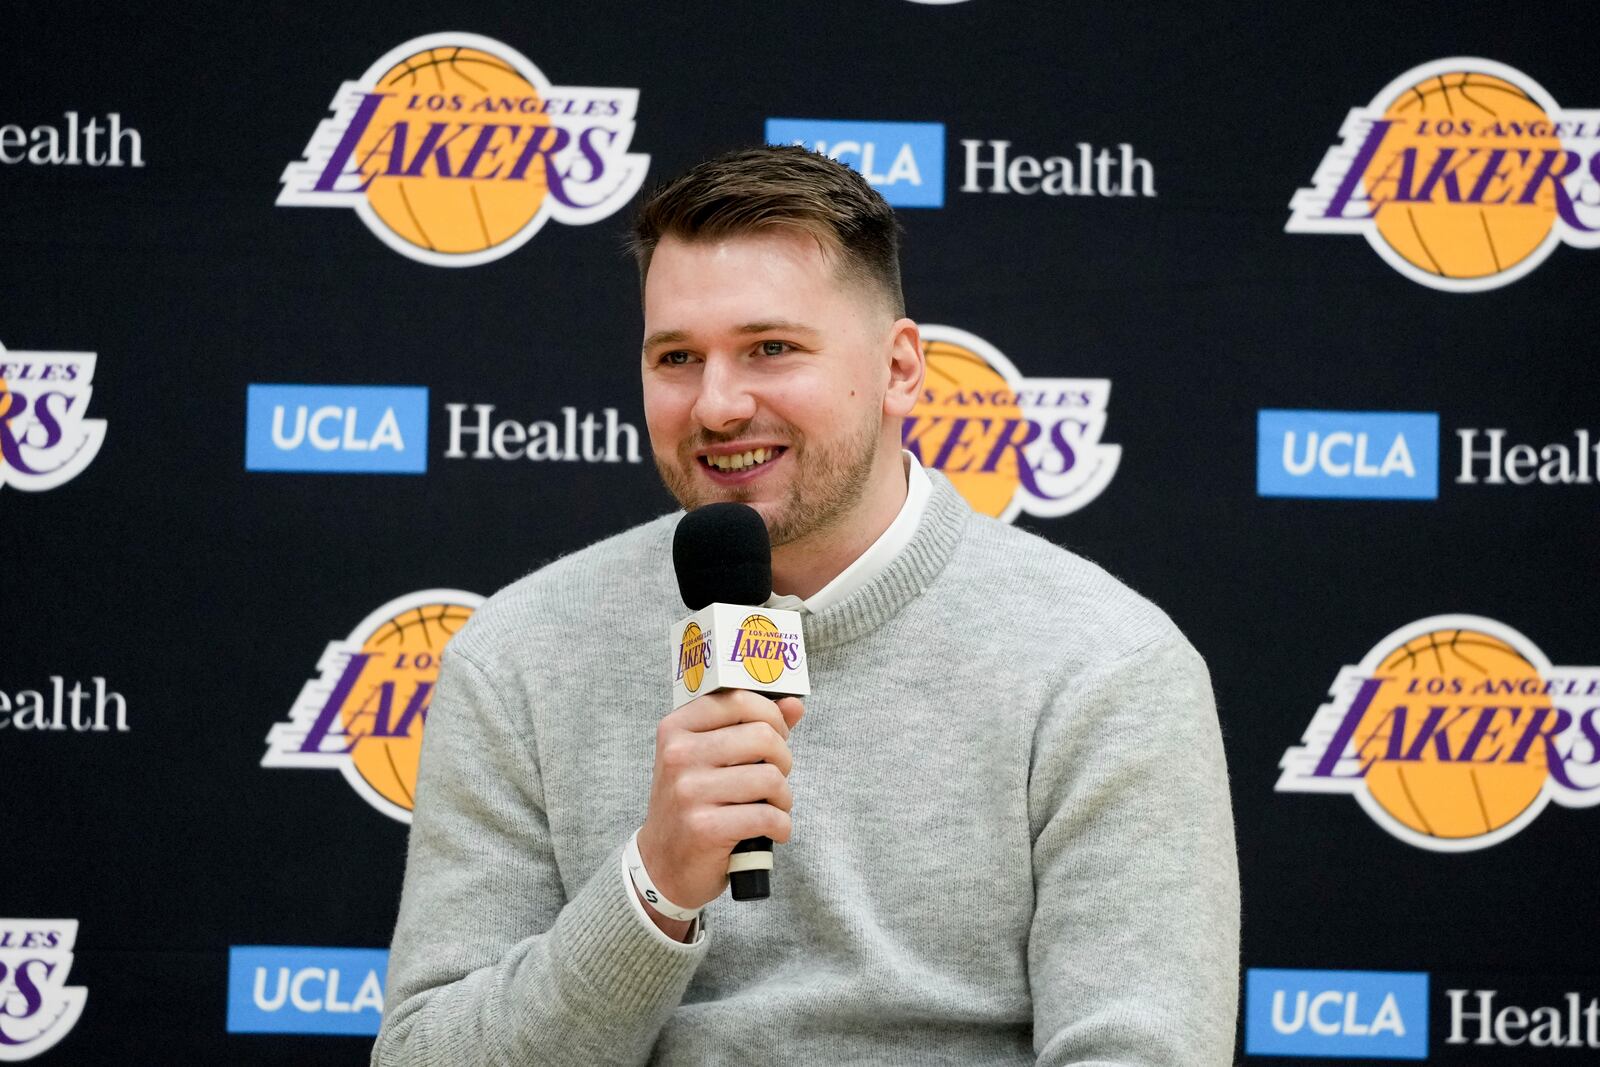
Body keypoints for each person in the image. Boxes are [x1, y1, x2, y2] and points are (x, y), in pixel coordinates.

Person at [372, 145, 1240, 1066]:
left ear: (902, 368)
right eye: (676, 357)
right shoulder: (516, 655)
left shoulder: (1107, 665)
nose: (715, 404)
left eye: (770, 348)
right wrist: (652, 887)